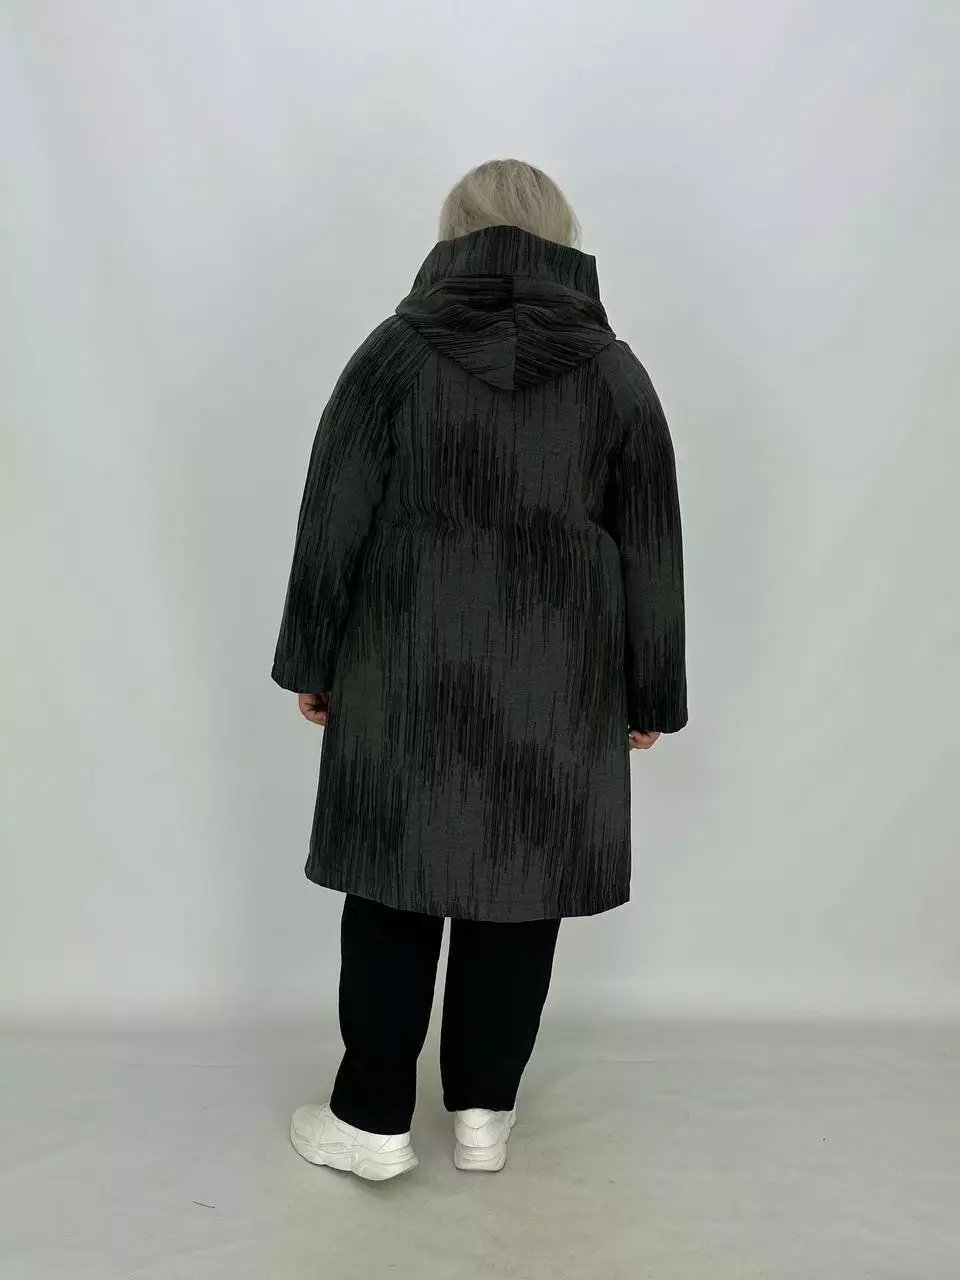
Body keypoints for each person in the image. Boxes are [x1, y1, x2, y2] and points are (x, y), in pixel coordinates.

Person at [272, 158, 687, 1181]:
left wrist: (313, 656)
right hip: (559, 676)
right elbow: (651, 542)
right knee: (521, 890)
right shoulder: (613, 371)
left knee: (392, 889)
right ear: (562, 238)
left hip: (403, 662)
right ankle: (483, 1111)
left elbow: (333, 517)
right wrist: (650, 688)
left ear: (454, 234)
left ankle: (372, 1118)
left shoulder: (395, 355)